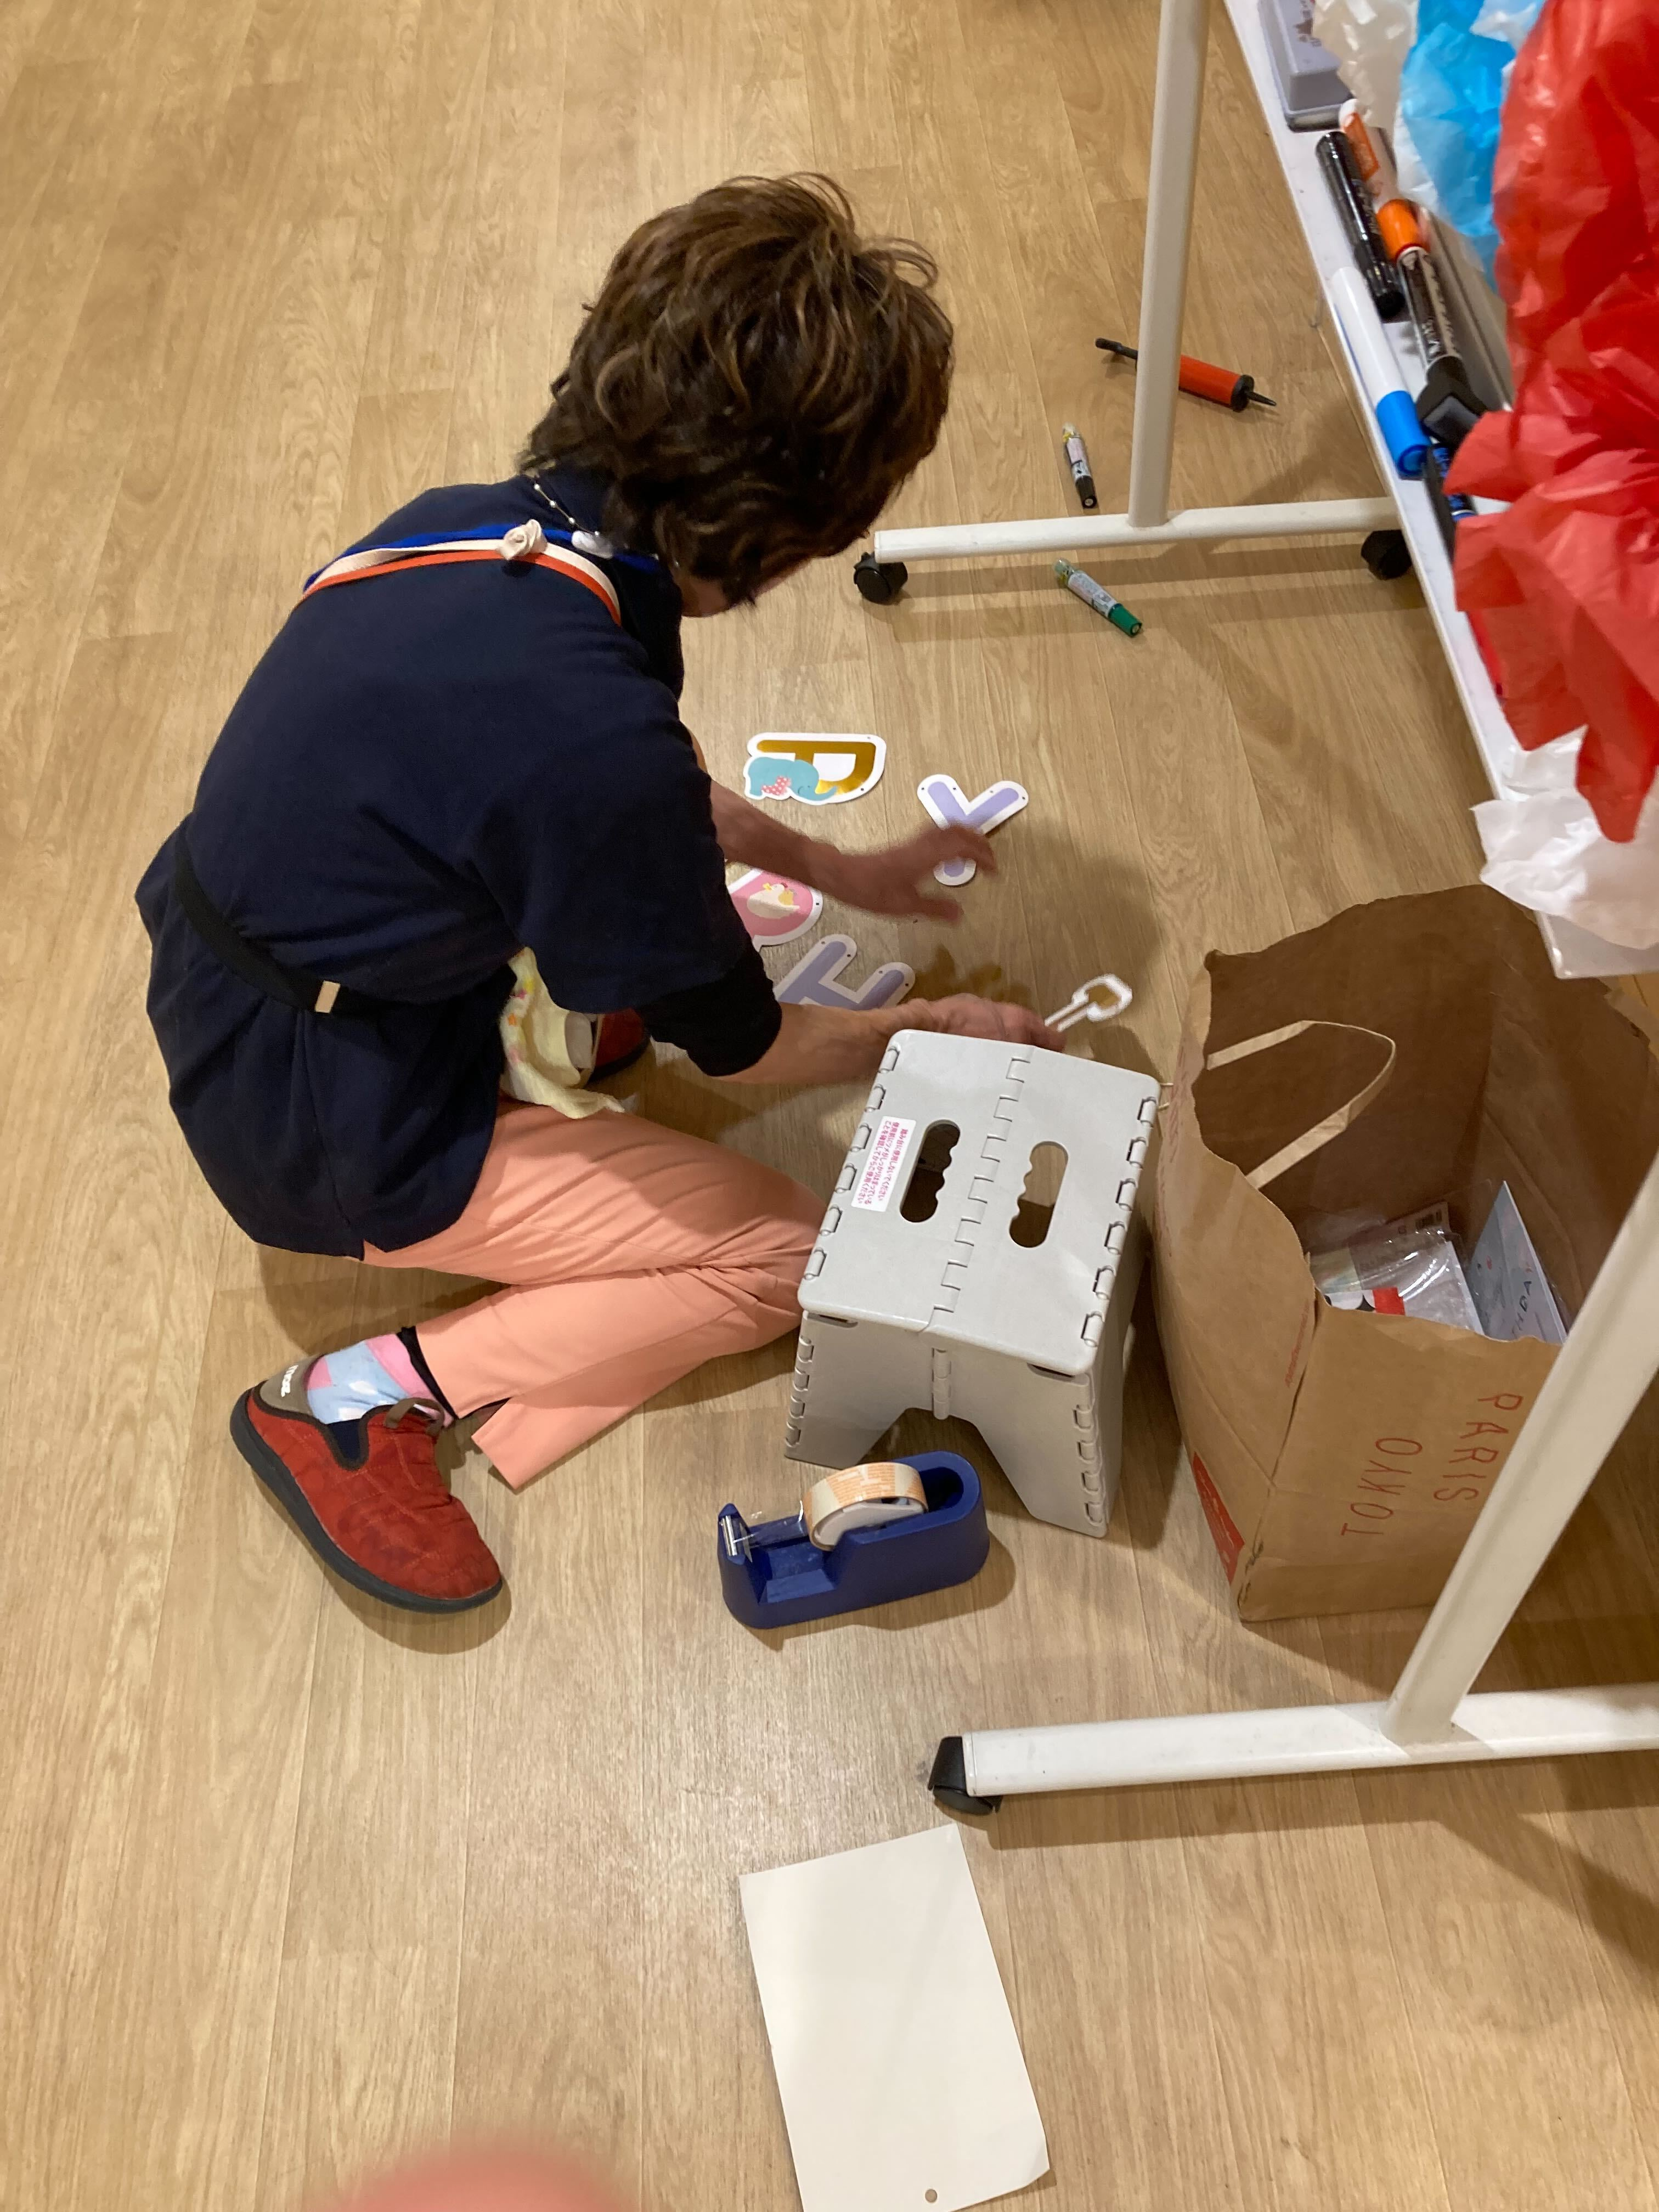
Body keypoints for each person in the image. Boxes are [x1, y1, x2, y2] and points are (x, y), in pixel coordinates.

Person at [137, 174, 1058, 1617]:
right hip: (321, 1116)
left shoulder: (487, 529)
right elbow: (747, 1045)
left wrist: (846, 871)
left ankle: (548, 1092)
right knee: (782, 1258)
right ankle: (355, 1400)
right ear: (796, 532)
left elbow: (650, 789)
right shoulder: (589, 737)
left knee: (613, 949)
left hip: (257, 962)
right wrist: (928, 1034)